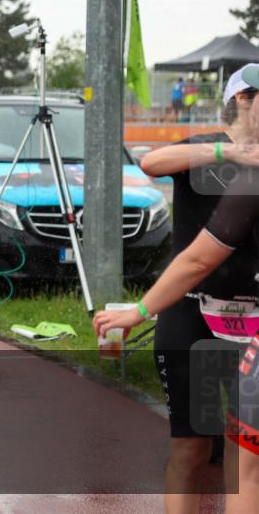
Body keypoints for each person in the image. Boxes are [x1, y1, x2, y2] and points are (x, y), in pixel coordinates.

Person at [95, 63, 259, 514]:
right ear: (243, 98)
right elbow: (150, 162)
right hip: (195, 318)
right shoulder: (208, 148)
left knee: (243, 452)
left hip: (252, 325)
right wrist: (228, 155)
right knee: (193, 446)